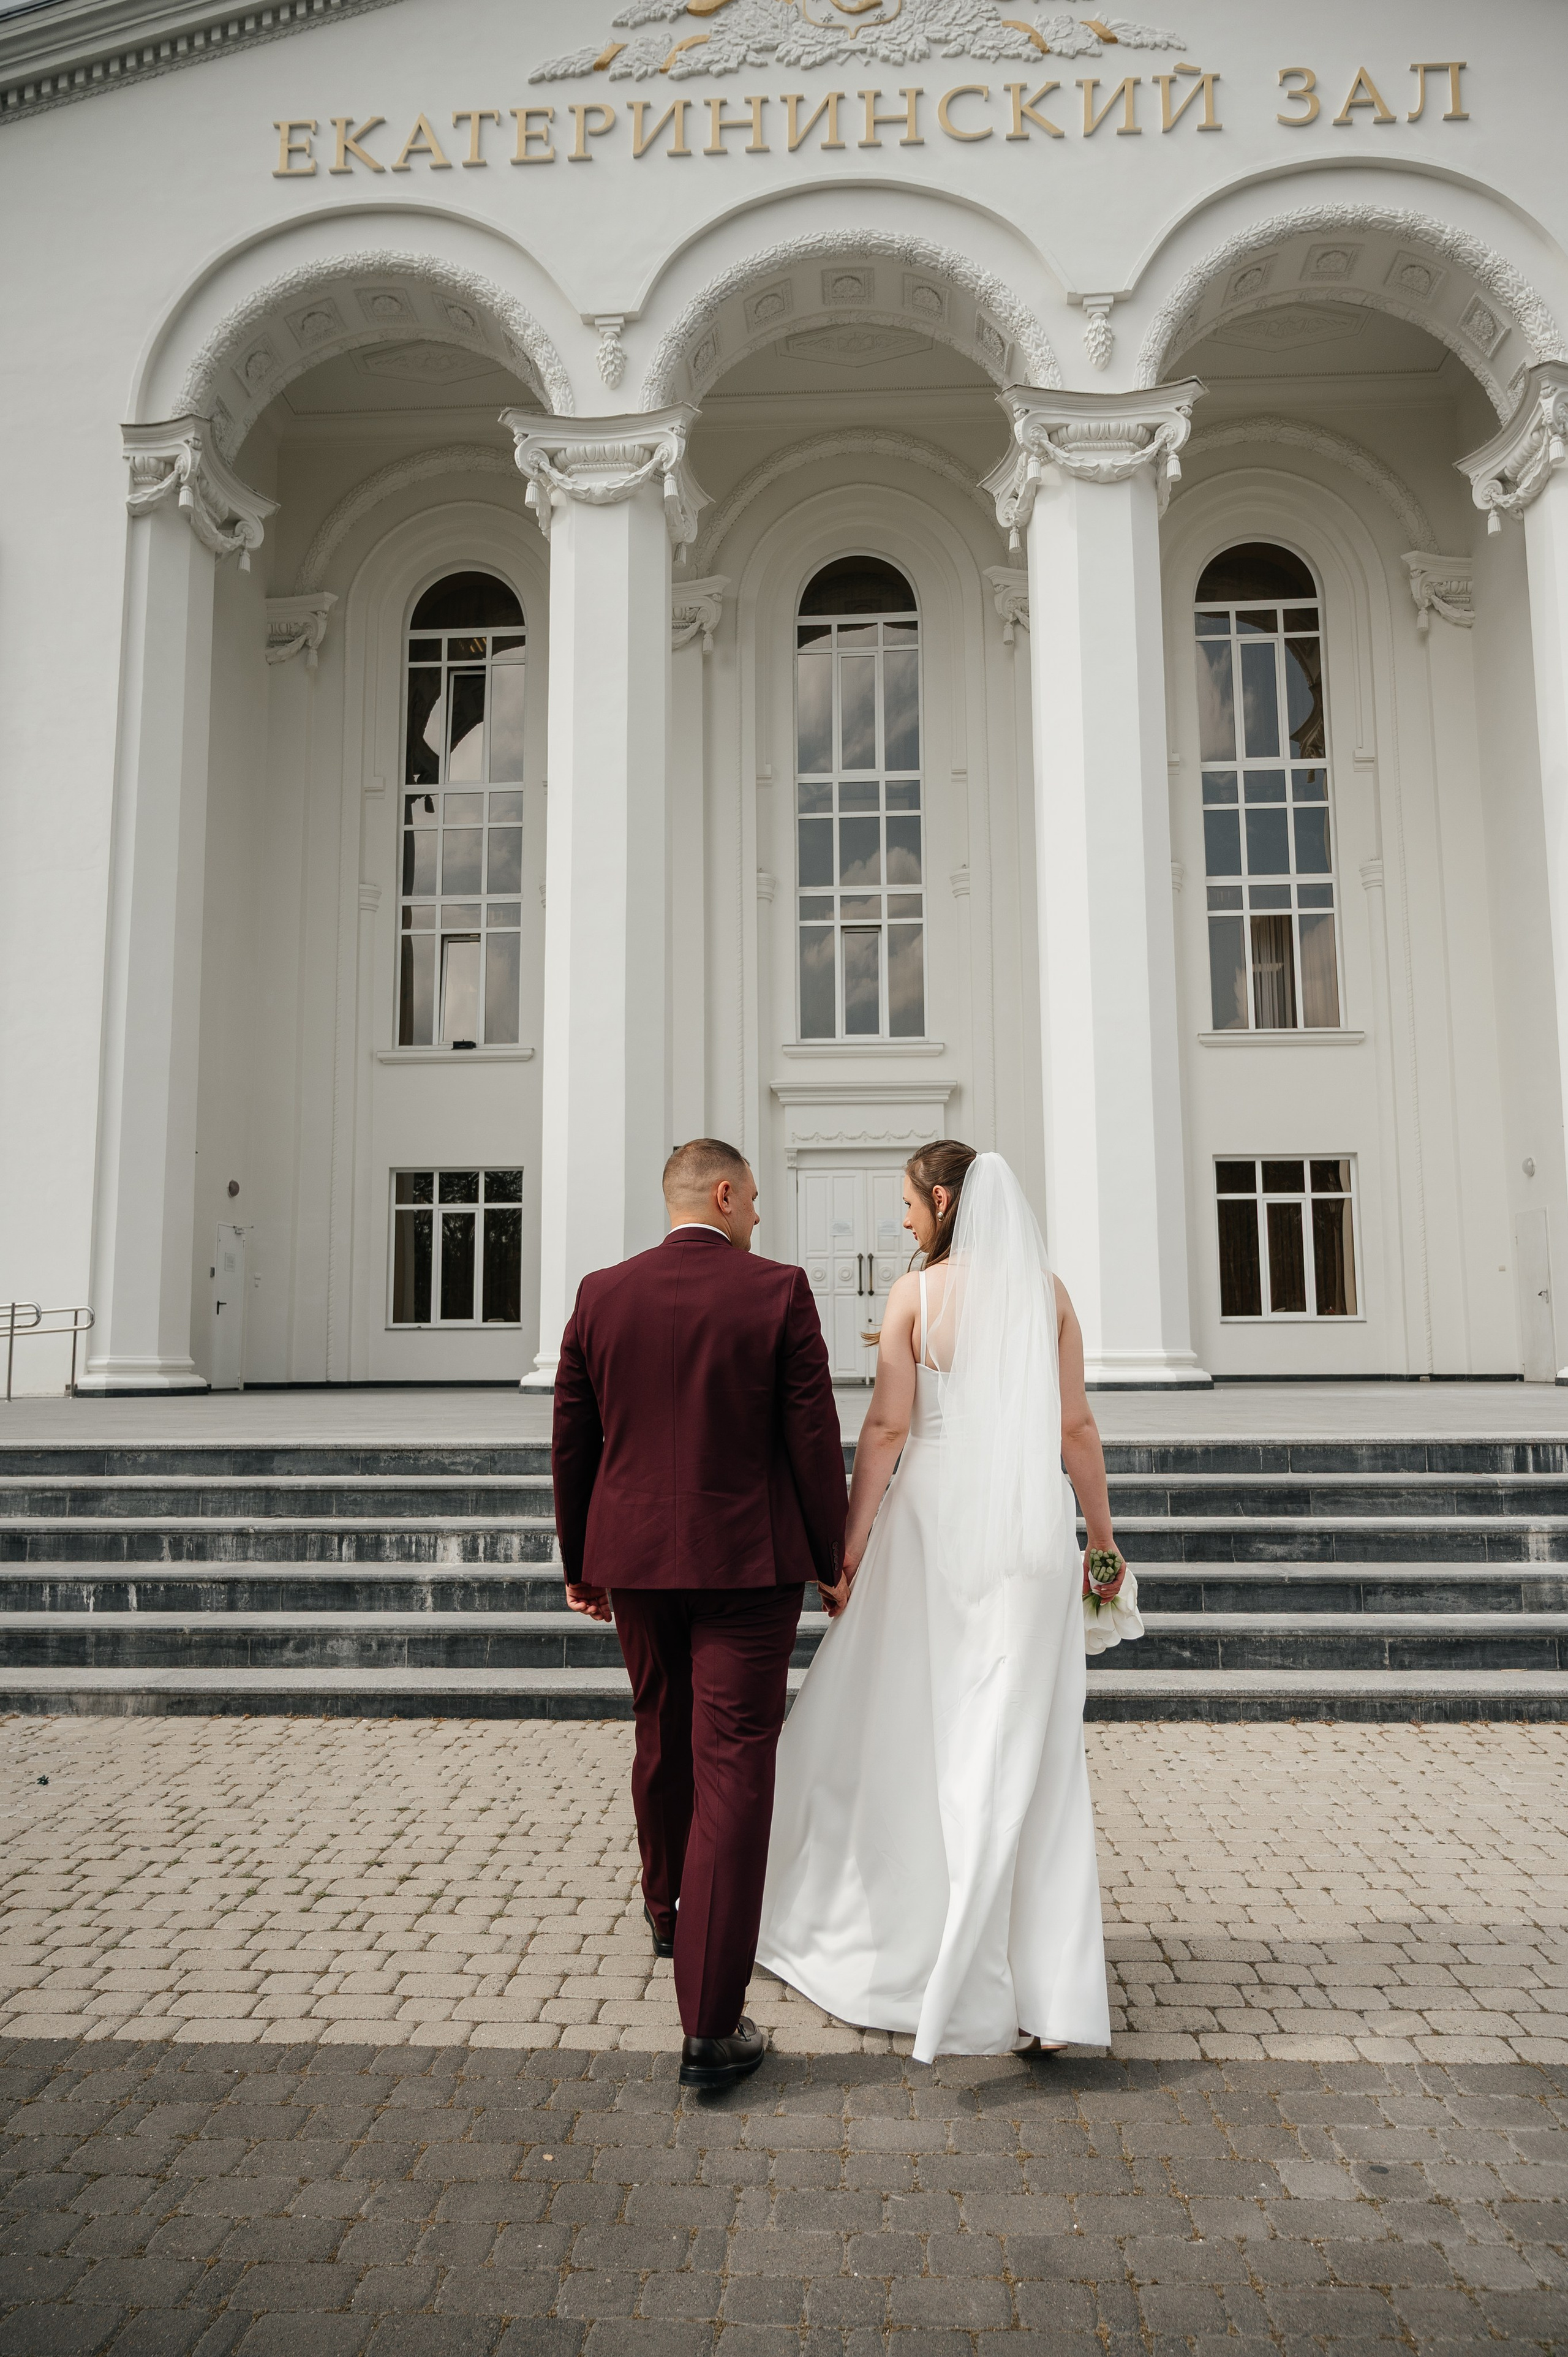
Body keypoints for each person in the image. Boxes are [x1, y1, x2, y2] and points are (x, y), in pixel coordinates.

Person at [757, 1140, 1122, 2062]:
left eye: (911, 1205)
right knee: (1024, 1754)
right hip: (1031, 1535)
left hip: (933, 1530)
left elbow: (885, 1428)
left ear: (947, 1200)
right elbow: (1076, 1426)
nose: (905, 1220)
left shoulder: (917, 1298)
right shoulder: (1051, 1295)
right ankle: (1039, 1989)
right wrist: (1104, 1539)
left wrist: (847, 1546)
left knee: (923, 1735)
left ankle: (926, 1956)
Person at [552, 1138, 846, 2091]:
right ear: (722, 1194)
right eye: (755, 1200)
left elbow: (573, 1437)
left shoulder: (601, 1294)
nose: (761, 1217)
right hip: (747, 1563)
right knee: (733, 1764)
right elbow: (812, 1437)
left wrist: (580, 1560)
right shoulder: (778, 1292)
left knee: (659, 1730)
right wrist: (833, 1558)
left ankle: (669, 1911)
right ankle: (711, 2028)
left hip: (632, 1556)